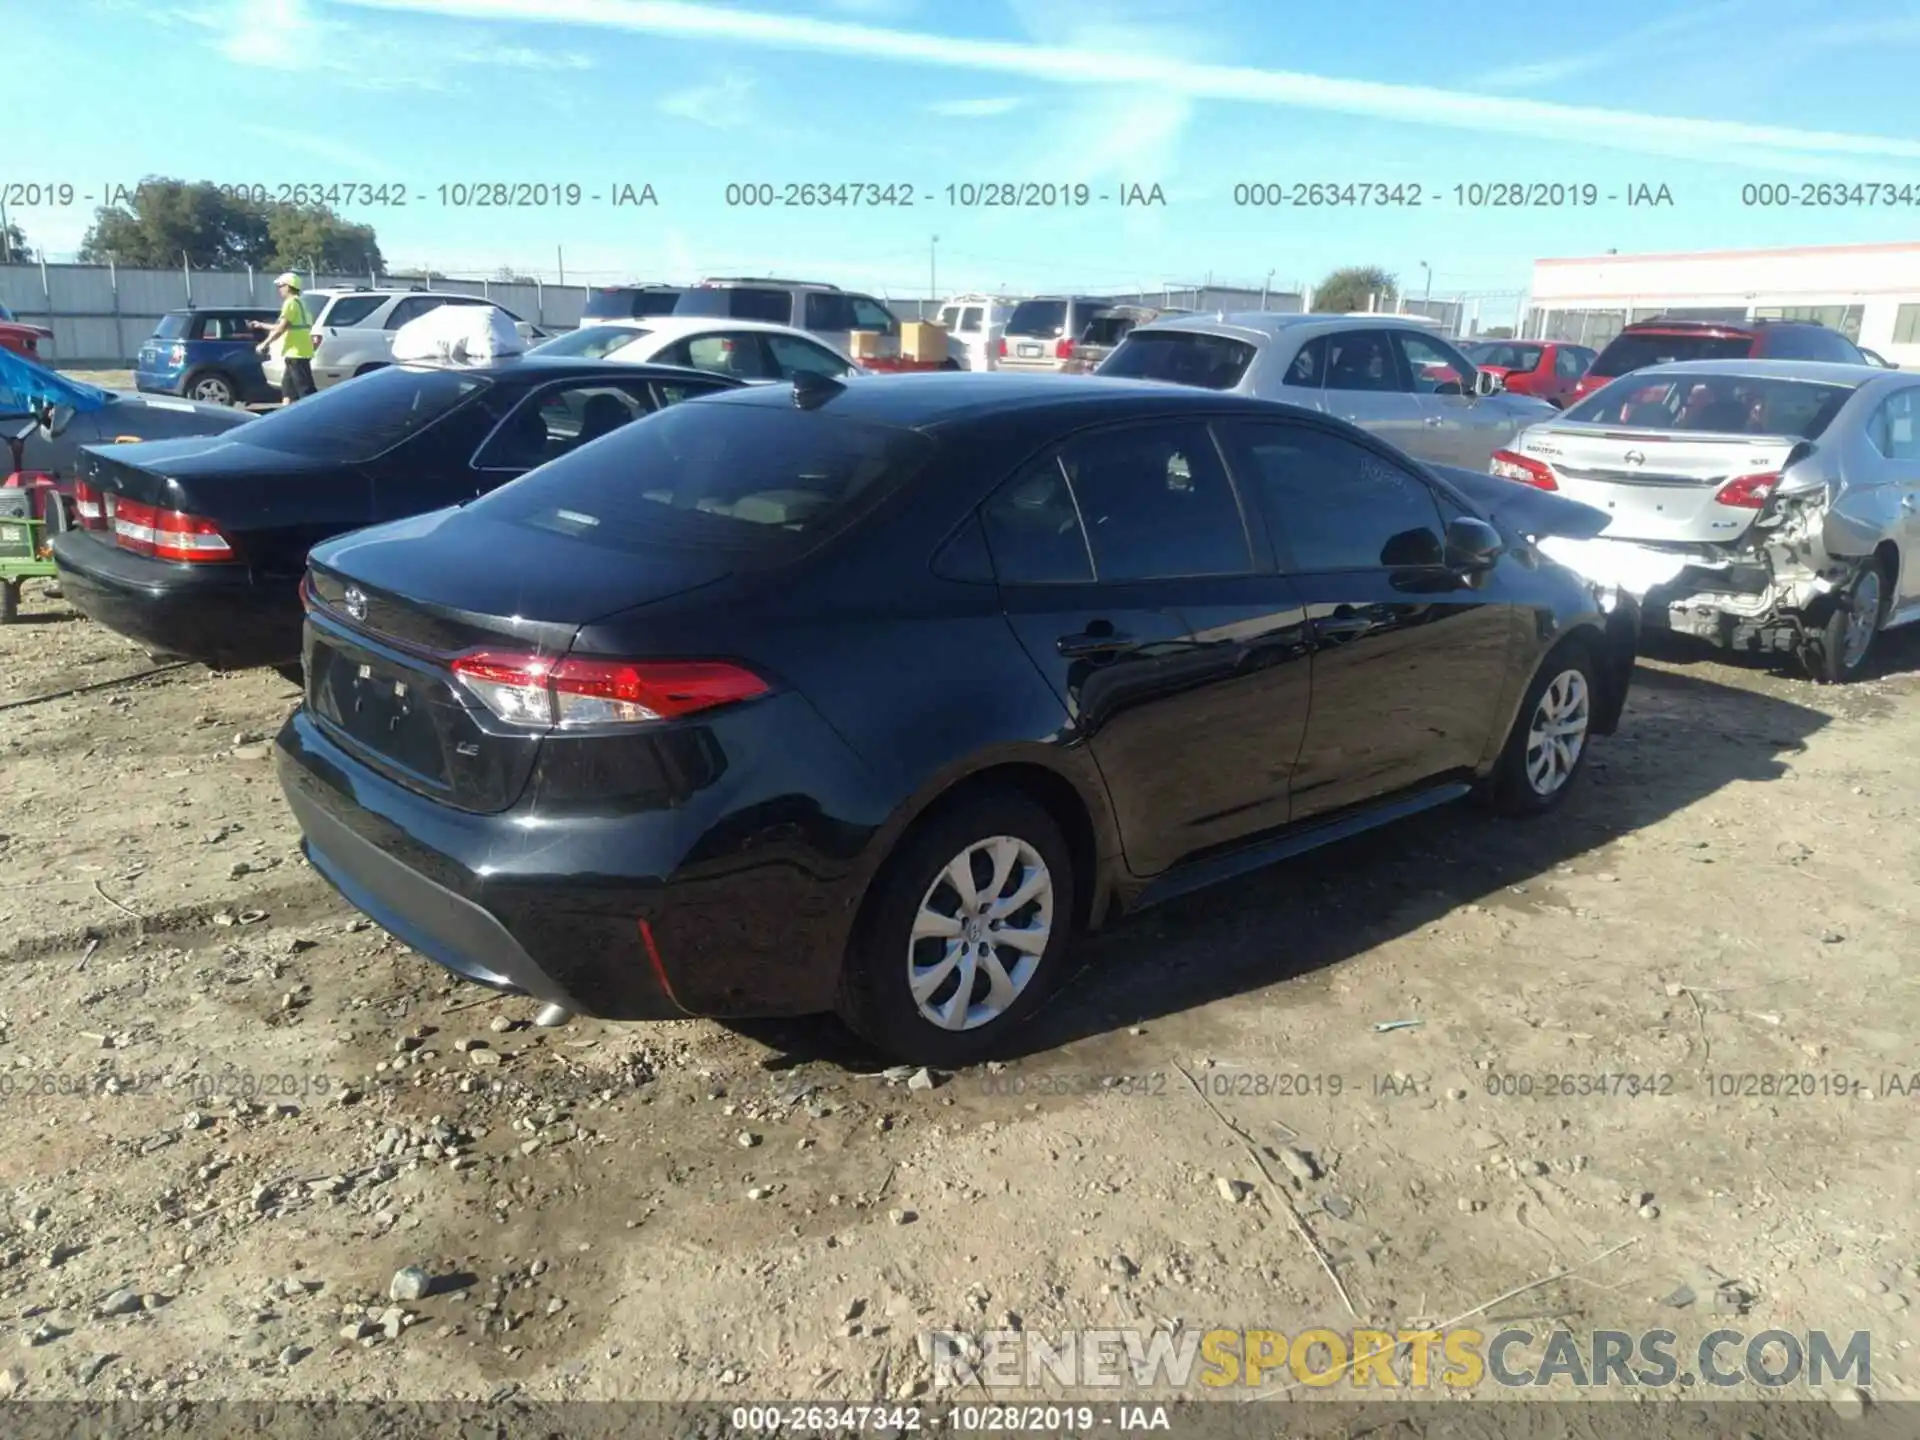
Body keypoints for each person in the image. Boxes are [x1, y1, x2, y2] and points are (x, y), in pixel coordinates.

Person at [251, 272, 316, 404]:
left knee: (305, 390)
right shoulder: (301, 303)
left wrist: (265, 344)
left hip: (296, 353)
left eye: (280, 286)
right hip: (299, 351)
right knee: (287, 389)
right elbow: (287, 326)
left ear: (288, 286)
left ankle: (315, 417)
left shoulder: (290, 303)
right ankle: (285, 412)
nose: (279, 289)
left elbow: (281, 328)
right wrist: (261, 325)